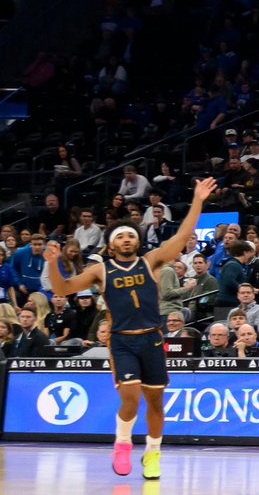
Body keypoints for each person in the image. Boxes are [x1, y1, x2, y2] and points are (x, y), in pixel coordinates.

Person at [44, 177, 215, 480]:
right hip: (122, 341)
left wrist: (198, 200)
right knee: (130, 398)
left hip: (152, 338)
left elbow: (183, 234)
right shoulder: (101, 270)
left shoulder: (151, 261)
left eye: (130, 236)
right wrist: (54, 264)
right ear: (111, 244)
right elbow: (64, 287)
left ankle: (152, 454)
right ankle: (122, 443)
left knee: (156, 404)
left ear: (137, 241)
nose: (126, 239)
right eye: (120, 236)